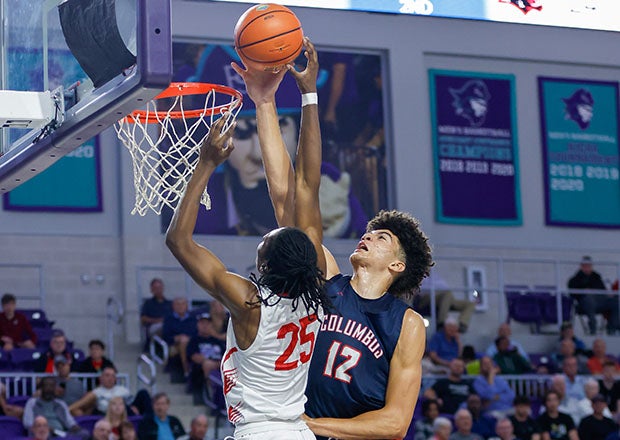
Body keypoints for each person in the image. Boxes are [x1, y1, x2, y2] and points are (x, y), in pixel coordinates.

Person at [247, 37, 432, 440]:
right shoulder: (326, 280)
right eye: (369, 231)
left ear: (397, 265)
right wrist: (270, 102)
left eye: (381, 238)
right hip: (296, 432)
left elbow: (395, 423)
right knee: (290, 211)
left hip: (323, 431)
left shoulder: (407, 324)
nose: (367, 237)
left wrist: (311, 425)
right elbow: (293, 193)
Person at [166, 38, 331, 439]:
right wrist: (303, 94)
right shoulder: (319, 286)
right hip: (296, 431)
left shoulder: (249, 304)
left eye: (263, 243)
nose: (268, 230)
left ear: (263, 267)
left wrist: (205, 164)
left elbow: (179, 241)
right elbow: (302, 186)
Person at [23, 376, 89, 439]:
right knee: (45, 434)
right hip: (42, 432)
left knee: (85, 434)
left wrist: (75, 427)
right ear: (41, 388)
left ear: (55, 388)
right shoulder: (32, 403)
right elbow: (28, 423)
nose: (48, 388)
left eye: (51, 386)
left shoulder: (61, 404)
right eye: (46, 385)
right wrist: (44, 428)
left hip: (60, 433)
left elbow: (70, 422)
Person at [568, 255, 618, 335]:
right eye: (585, 265)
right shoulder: (574, 279)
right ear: (581, 266)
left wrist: (609, 295)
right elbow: (572, 294)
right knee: (589, 299)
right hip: (584, 304)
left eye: (589, 265)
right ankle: (593, 329)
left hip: (599, 302)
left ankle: (612, 328)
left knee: (616, 301)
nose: (587, 267)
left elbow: (603, 290)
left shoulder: (596, 277)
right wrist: (585, 292)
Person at [186, 311, 225, 401]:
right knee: (207, 364)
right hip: (201, 369)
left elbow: (225, 357)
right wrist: (212, 363)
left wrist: (215, 364)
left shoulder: (217, 341)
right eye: (202, 323)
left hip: (219, 366)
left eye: (207, 323)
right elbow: (195, 357)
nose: (205, 325)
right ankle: (210, 391)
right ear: (198, 325)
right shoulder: (194, 340)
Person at [162, 297, 196, 376]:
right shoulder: (169, 319)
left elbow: (196, 332)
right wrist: (177, 338)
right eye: (178, 304)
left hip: (191, 342)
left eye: (183, 304)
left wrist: (188, 338)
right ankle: (186, 370)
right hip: (174, 344)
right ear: (173, 306)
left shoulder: (193, 318)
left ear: (187, 306)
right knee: (183, 342)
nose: (180, 306)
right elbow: (165, 335)